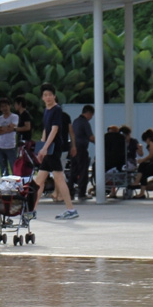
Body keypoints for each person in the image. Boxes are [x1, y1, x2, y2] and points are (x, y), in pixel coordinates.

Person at [32, 83, 78, 220]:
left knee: (57, 178)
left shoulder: (57, 110)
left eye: (50, 95)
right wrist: (42, 147)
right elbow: (46, 129)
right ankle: (32, 209)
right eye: (45, 95)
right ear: (42, 97)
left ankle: (71, 209)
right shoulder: (47, 110)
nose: (48, 97)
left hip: (54, 149)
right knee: (40, 180)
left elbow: (55, 129)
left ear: (54, 96)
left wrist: (45, 148)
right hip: (48, 150)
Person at [69, 105, 95, 202]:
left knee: (73, 171)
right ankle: (81, 193)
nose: (91, 118)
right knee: (83, 171)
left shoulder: (75, 121)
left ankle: (70, 192)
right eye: (91, 115)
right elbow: (91, 137)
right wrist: (101, 143)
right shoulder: (85, 123)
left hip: (73, 148)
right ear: (88, 113)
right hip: (81, 149)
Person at [0, 97, 20, 177]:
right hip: (0, 146)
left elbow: (12, 128)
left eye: (5, 106)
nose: (4, 108)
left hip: (11, 146)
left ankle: (16, 185)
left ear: (9, 106)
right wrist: (6, 128)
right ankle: (6, 185)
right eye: (2, 106)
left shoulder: (15, 117)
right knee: (3, 169)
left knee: (14, 167)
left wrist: (0, 129)